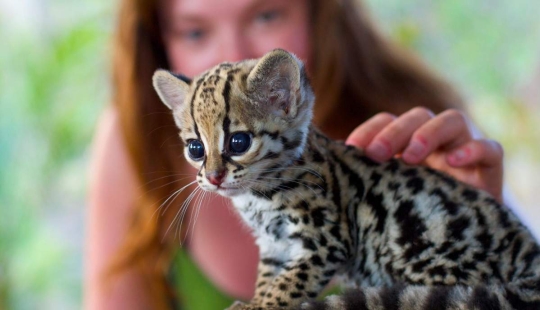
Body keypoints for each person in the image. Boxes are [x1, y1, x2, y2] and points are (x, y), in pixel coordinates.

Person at [85, 0, 507, 309]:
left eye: (266, 14)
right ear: (159, 40)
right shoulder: (135, 141)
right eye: (195, 31)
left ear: (320, 11)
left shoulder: (416, 122)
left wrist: (480, 226)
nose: (232, 52)